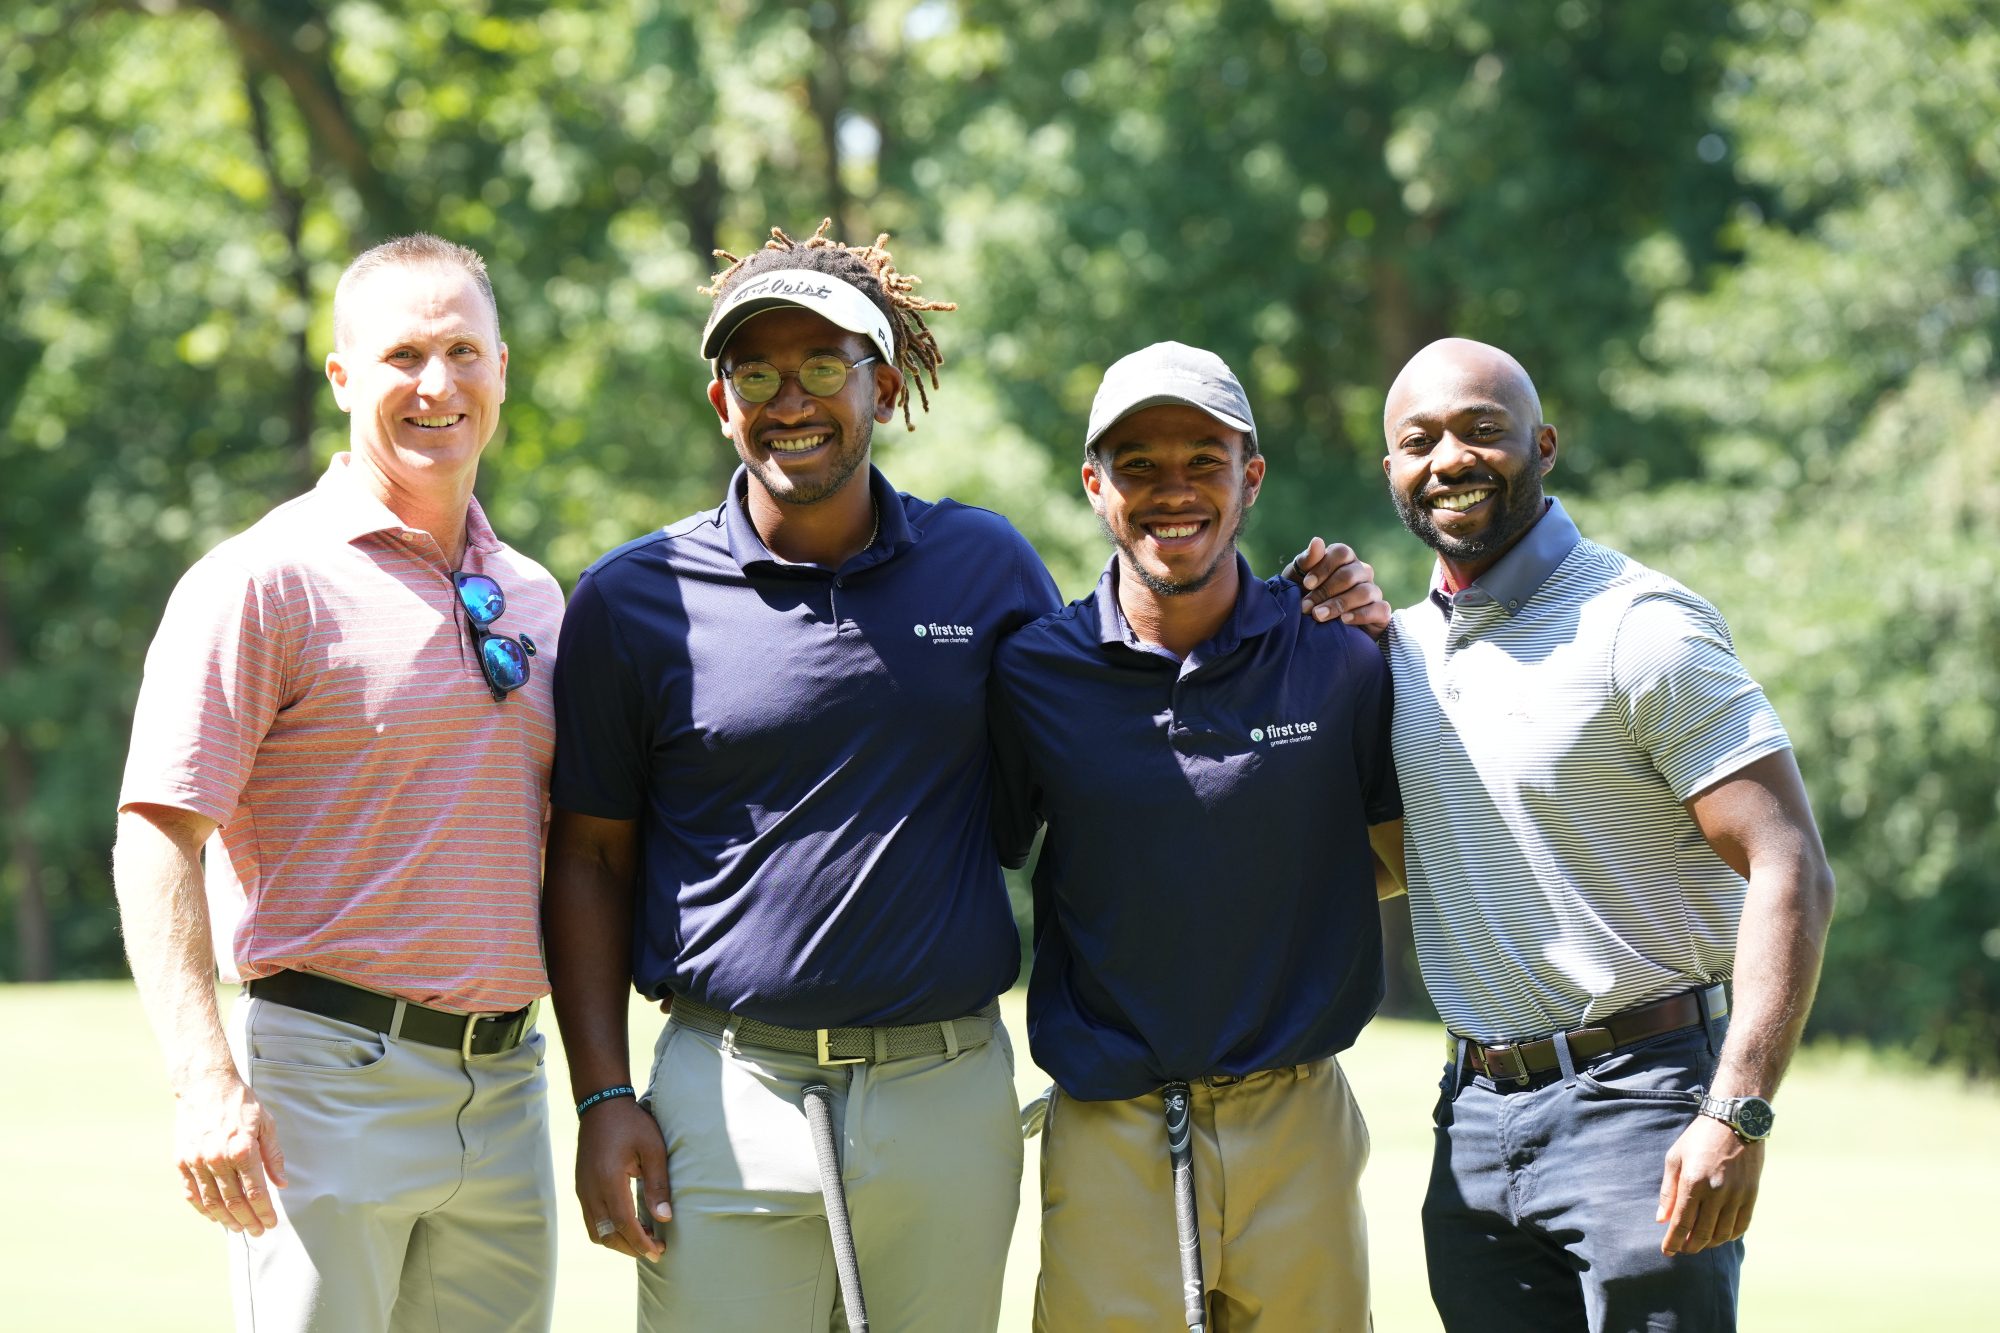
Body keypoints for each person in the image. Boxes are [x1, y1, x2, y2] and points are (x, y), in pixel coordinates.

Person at [540, 222, 1386, 1333]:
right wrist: (603, 1095)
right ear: (720, 401)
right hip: (728, 1081)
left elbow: (1139, 679)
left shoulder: (983, 566)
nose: (789, 398)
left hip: (943, 1084)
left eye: (822, 367)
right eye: (756, 372)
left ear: (881, 387)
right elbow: (590, 856)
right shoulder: (631, 595)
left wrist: (1306, 618)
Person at [113, 234, 562, 1333]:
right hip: (329, 1081)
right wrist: (205, 1081)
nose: (436, 384)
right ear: (343, 375)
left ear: (502, 368)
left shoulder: (539, 595)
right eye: (403, 354)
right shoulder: (263, 579)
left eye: (463, 350)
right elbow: (158, 834)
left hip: (506, 1089)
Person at [1376, 337, 1836, 1331]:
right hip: (1472, 1123)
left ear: (1542, 443)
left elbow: (1787, 862)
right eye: (1418, 440)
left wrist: (1737, 1109)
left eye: (1481, 430)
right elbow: (1384, 862)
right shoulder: (1396, 649)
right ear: (1389, 472)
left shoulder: (1639, 628)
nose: (1448, 457)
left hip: (1641, 1104)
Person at [986, 342, 1402, 1333]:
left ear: (1248, 478)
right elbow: (982, 849)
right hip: (1108, 1127)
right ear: (1094, 484)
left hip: (1296, 1115)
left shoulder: (1338, 655)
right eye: (1137, 466)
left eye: (1202, 462)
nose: (1172, 492)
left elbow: (1394, 857)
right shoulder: (1035, 672)